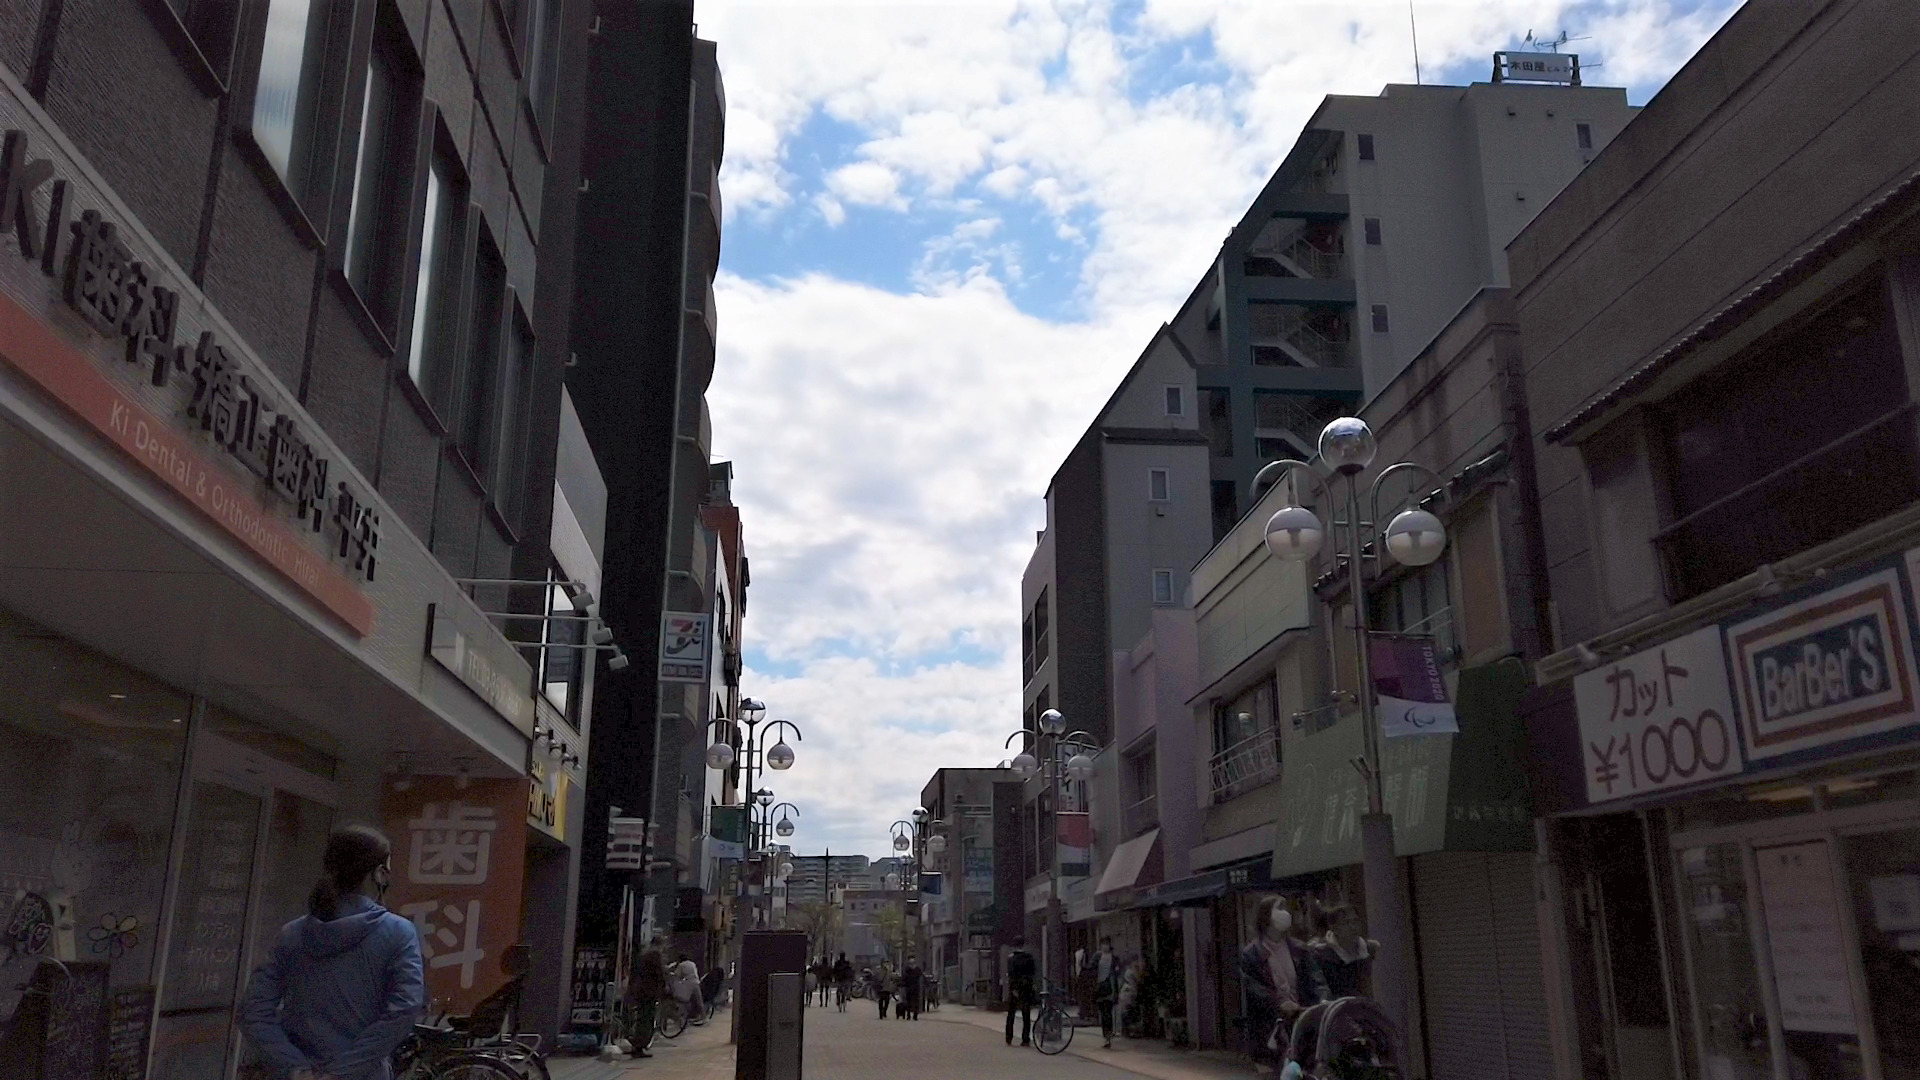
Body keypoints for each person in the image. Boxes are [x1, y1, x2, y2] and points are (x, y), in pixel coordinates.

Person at [240, 826, 424, 1080]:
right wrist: (342, 1072)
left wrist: (296, 1068)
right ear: (379, 874)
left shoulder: (292, 934)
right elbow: (404, 1009)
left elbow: (253, 1011)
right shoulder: (398, 932)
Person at [1239, 896, 1329, 1074]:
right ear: (1266, 916)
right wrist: (1279, 1003)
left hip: (1303, 1023)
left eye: (1286, 908)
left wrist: (1323, 1000)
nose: (1286, 913)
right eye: (1279, 908)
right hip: (1270, 1030)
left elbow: (1317, 979)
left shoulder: (1300, 949)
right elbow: (1253, 987)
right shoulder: (1252, 954)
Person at [1314, 904, 1379, 1000]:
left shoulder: (1369, 949)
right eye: (1346, 923)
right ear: (1334, 928)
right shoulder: (1321, 955)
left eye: (1355, 921)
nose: (1353, 927)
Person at [627, 935, 670, 1058]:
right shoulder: (655, 955)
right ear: (660, 944)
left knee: (642, 1018)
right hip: (649, 992)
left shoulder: (644, 955)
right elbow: (659, 973)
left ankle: (637, 1045)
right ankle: (639, 1046)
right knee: (647, 1019)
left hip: (641, 991)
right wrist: (664, 986)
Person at [1005, 938, 1037, 1047]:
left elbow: (1011, 975)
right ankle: (1025, 1039)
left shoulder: (1011, 958)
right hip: (1027, 988)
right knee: (1026, 1014)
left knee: (1011, 1013)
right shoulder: (1029, 957)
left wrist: (1013, 988)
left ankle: (1009, 1037)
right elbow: (1033, 973)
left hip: (1015, 988)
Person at [1093, 938, 1119, 1048]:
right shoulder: (1097, 956)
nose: (1105, 946)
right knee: (1103, 1013)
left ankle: (1108, 1035)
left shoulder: (1114, 958)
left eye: (1107, 944)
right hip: (1099, 988)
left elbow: (1116, 974)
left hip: (1110, 987)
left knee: (1108, 1012)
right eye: (1104, 944)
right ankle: (1106, 1035)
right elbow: (1091, 969)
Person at [670, 952, 704, 1023]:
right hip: (696, 982)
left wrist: (671, 973)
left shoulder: (681, 965)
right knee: (699, 1000)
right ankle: (703, 1016)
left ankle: (685, 1016)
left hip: (688, 983)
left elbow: (677, 975)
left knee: (685, 999)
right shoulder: (692, 963)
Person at [1116, 957, 1144, 1038]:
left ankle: (1125, 1031)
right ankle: (1127, 1031)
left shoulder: (1126, 972)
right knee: (1128, 1012)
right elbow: (1134, 983)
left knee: (1126, 1012)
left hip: (1126, 994)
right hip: (1128, 994)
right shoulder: (1131, 972)